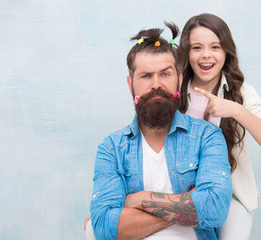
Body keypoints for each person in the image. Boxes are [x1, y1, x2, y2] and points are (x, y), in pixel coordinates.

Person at [86, 22, 232, 240]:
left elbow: (214, 209)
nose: (156, 84)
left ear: (179, 80)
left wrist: (139, 199)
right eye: (145, 76)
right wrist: (188, 202)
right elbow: (106, 228)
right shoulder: (112, 148)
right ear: (130, 84)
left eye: (165, 74)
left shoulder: (206, 136)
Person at [178, 13, 261, 240]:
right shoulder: (174, 90)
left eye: (215, 47)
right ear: (186, 52)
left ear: (226, 52)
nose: (206, 55)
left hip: (231, 196)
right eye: (197, 47)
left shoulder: (243, 92)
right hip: (181, 194)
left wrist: (235, 110)